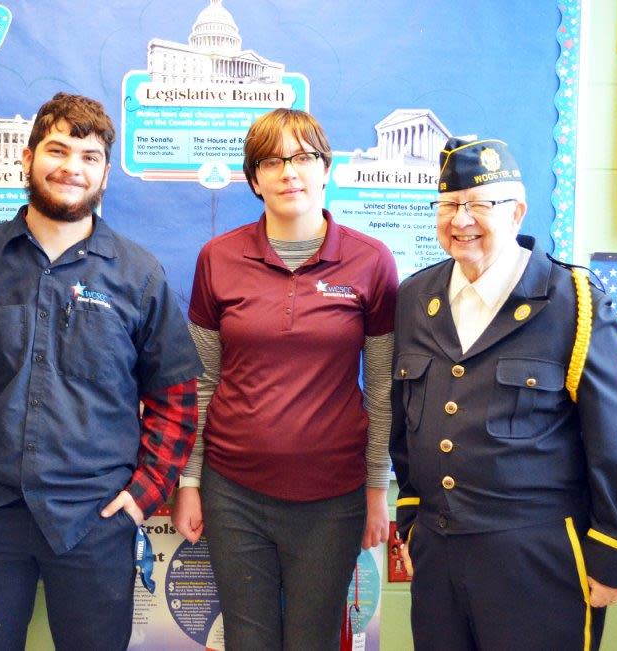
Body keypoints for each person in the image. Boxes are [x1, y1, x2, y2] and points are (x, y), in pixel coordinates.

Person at [0, 92, 202, 651]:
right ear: (27, 159)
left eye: (90, 156)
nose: (72, 167)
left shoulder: (139, 275)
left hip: (98, 518)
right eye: (57, 150)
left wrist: (144, 494)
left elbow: (175, 399)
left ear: (104, 175)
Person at [389, 137, 617, 650]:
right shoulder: (416, 297)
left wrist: (612, 550)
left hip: (537, 558)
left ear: (518, 211)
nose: (462, 221)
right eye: (450, 206)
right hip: (438, 558)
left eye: (480, 204)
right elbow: (404, 421)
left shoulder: (572, 300)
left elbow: (610, 439)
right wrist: (411, 519)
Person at [171, 108, 399, 650]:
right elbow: (202, 381)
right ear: (254, 179)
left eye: (303, 157)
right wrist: (189, 483)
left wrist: (375, 490)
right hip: (234, 493)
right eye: (272, 161)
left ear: (327, 169)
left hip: (334, 498)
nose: (289, 172)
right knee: (248, 642)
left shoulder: (371, 262)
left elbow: (384, 388)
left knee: (313, 642)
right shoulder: (218, 258)